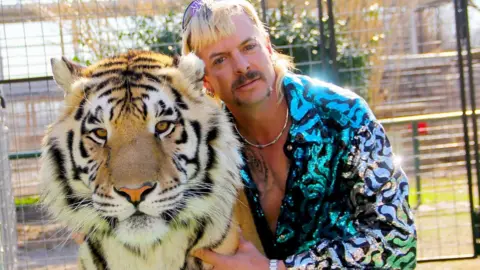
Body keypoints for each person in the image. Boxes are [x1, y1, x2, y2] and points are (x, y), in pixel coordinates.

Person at [181, 0, 417, 269]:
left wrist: (281, 269)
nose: (242, 66)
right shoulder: (206, 151)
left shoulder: (344, 116)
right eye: (220, 59)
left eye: (249, 47)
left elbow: (397, 240)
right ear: (205, 80)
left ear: (268, 47)